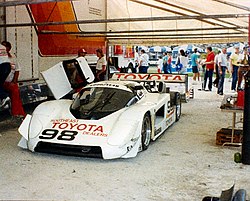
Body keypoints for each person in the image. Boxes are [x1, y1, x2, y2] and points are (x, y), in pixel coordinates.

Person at [2, 41, 26, 118]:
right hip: (2, 82)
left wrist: (14, 81)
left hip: (10, 82)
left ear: (9, 48)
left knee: (15, 91)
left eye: (5, 47)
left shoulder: (13, 57)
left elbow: (17, 70)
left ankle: (18, 113)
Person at [0, 42, 11, 107]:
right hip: (7, 66)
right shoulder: (2, 47)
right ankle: (4, 99)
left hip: (1, 66)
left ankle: (4, 96)